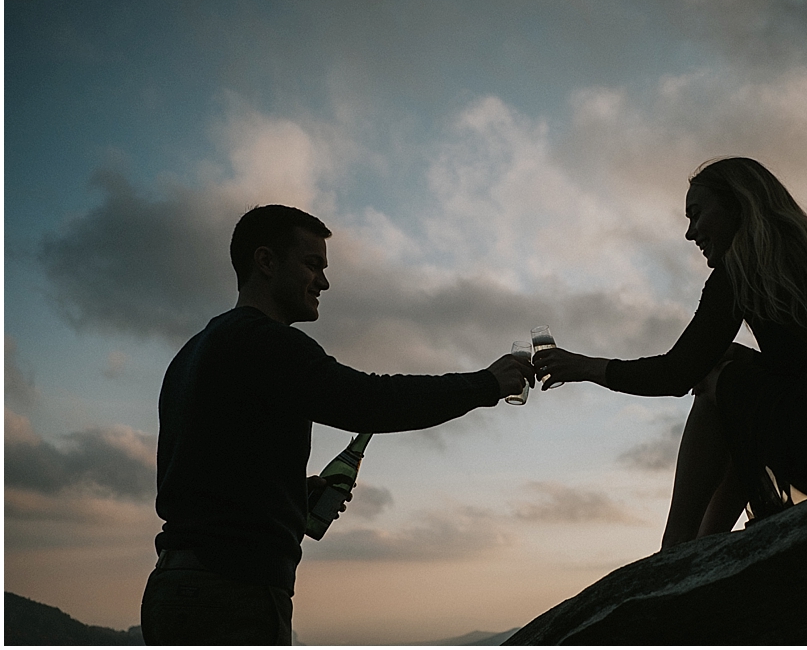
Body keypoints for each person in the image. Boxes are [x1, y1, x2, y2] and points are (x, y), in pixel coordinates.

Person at [533, 156, 807, 552]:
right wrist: (749, 362)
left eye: (697, 214)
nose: (690, 233)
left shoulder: (743, 266)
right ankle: (698, 547)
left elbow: (675, 374)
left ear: (737, 205)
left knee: (716, 383)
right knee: (735, 376)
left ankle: (677, 551)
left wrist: (585, 367)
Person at [140, 204, 533, 645]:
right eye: (312, 265)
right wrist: (486, 384)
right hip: (231, 592)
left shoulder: (192, 353)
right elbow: (368, 401)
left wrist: (290, 493)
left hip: (174, 586)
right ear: (266, 261)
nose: (324, 282)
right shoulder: (267, 342)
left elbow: (205, 466)